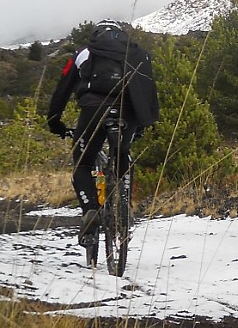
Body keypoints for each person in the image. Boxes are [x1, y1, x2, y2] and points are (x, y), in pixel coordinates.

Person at [46, 20, 160, 245]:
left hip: (93, 110)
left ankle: (90, 211)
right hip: (128, 113)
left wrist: (54, 121)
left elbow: (62, 89)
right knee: (122, 152)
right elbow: (146, 90)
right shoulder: (138, 53)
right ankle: (124, 202)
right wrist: (143, 124)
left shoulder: (84, 53)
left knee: (83, 164)